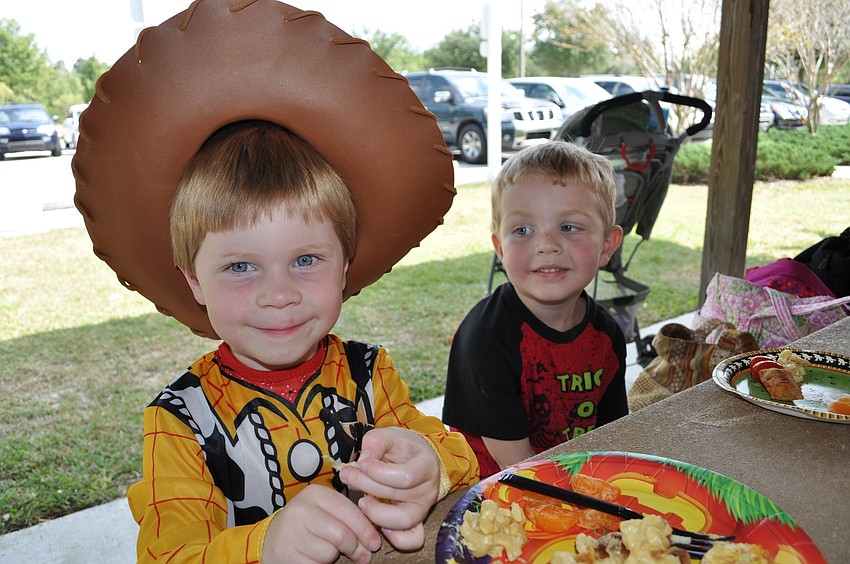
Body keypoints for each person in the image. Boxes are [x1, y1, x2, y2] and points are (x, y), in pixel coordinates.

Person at [125, 121, 479, 563]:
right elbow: (168, 553)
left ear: (344, 268)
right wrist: (264, 546)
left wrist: (429, 467)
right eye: (240, 267)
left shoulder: (368, 372)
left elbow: (456, 452)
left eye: (306, 260)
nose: (279, 295)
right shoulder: (180, 419)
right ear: (195, 282)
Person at [442, 140, 629, 478]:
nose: (546, 245)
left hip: (569, 477)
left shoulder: (607, 336)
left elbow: (612, 440)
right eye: (523, 230)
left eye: (568, 227)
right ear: (500, 248)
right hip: (489, 493)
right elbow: (517, 465)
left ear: (607, 246)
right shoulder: (486, 340)